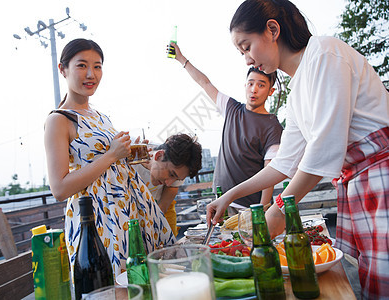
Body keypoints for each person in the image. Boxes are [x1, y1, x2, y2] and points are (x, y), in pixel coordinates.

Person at [206, 1, 389, 298]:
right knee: (374, 279)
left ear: (272, 30)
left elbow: (324, 148)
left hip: (381, 178)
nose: (247, 60)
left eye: (246, 46)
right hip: (361, 183)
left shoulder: (325, 53)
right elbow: (284, 164)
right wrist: (230, 195)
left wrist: (279, 209)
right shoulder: (297, 91)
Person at [44, 38, 175, 279]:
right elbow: (59, 188)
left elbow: (111, 164)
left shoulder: (100, 115)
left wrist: (131, 153)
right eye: (81, 65)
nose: (91, 74)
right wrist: (112, 154)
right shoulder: (59, 120)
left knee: (147, 283)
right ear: (63, 69)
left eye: (97, 66)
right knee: (117, 286)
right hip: (99, 220)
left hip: (128, 211)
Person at [170, 43, 283, 211]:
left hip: (250, 208)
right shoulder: (232, 108)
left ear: (270, 91)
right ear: (245, 85)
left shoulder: (272, 126)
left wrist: (263, 209)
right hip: (221, 200)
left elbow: (270, 170)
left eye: (261, 85)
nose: (254, 90)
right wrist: (181, 59)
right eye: (251, 83)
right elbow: (205, 83)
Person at [133, 133, 203, 236]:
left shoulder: (179, 169)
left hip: (158, 212)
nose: (169, 183)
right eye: (171, 174)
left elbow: (162, 209)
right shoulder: (133, 153)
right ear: (159, 155)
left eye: (177, 179)